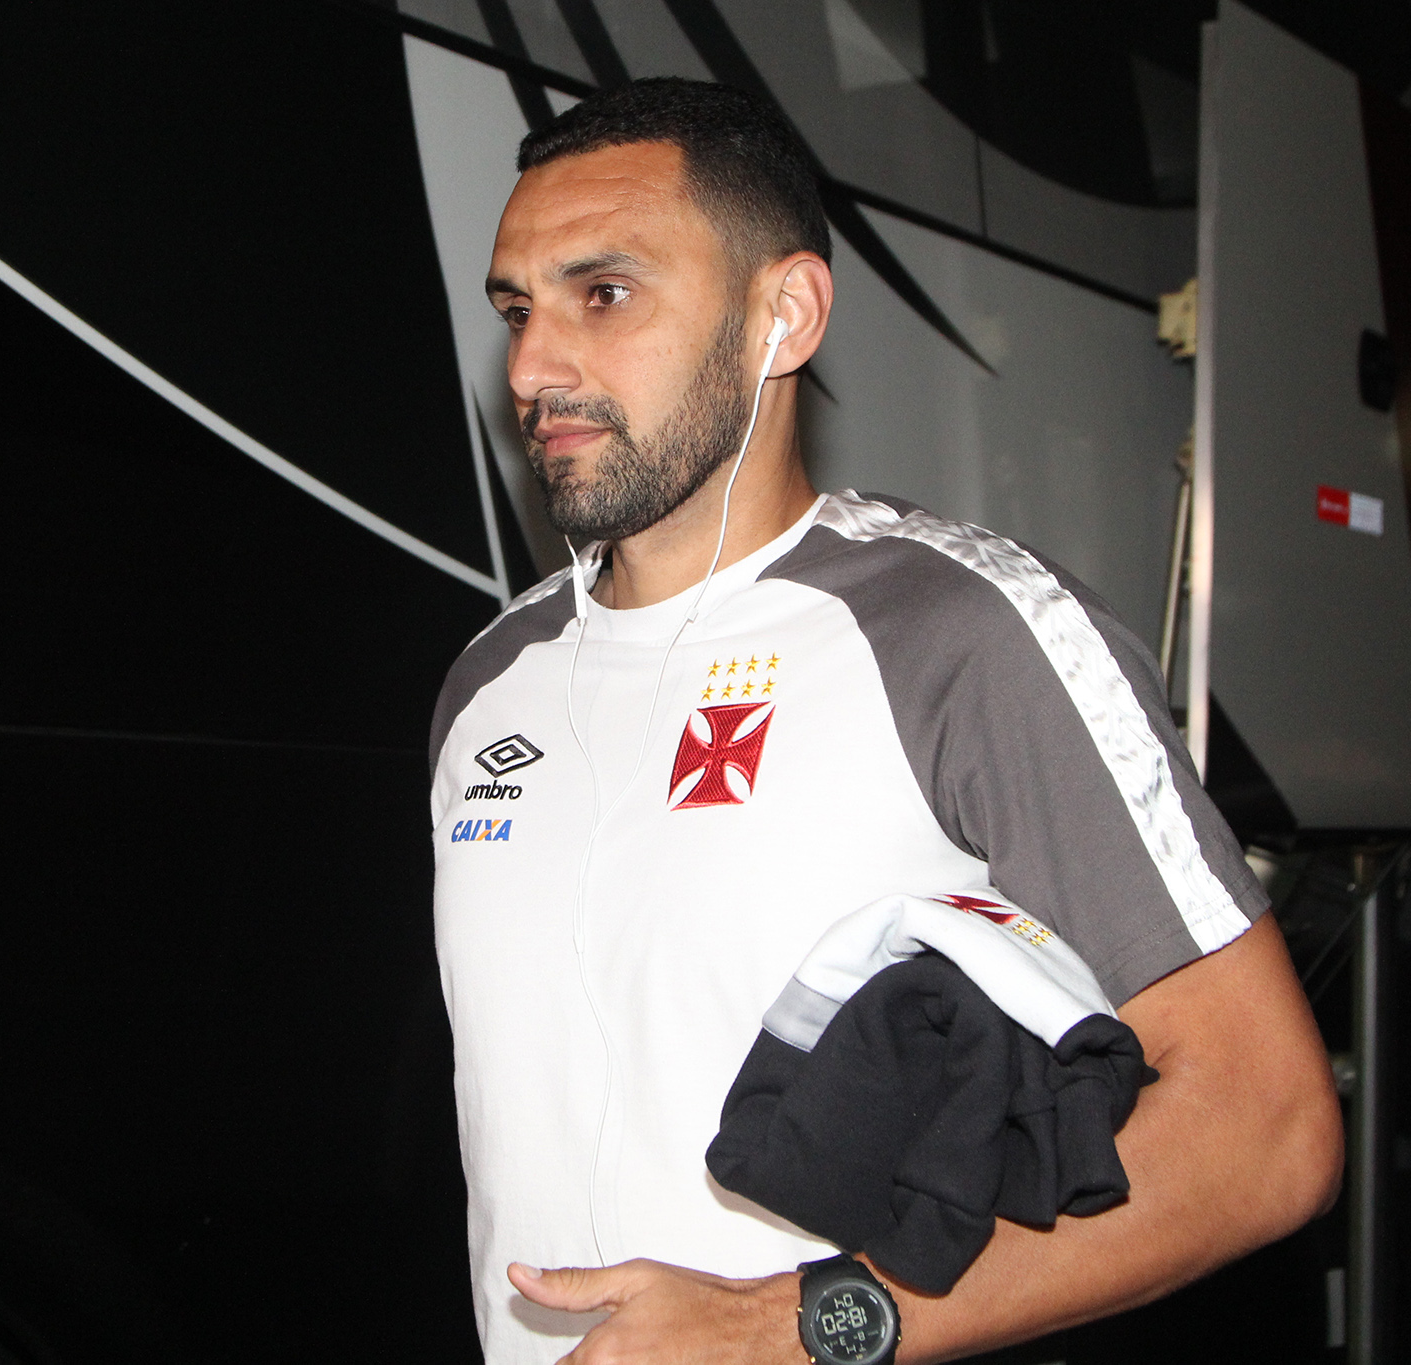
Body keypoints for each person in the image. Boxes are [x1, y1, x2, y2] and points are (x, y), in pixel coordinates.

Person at [429, 78, 1343, 1364]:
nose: (532, 367)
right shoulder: (489, 681)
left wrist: (789, 1327)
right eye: (517, 310)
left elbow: (1265, 1128)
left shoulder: (962, 636)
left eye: (606, 294)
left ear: (784, 315)